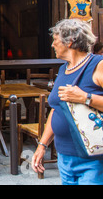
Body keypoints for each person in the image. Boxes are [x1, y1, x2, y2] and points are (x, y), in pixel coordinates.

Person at [32, 19, 103, 185]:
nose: (52, 44)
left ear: (70, 42)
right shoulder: (64, 68)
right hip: (64, 156)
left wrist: (85, 97)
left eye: (55, 40)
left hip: (93, 159)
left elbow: (83, 98)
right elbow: (57, 109)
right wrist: (42, 145)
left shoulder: (97, 65)